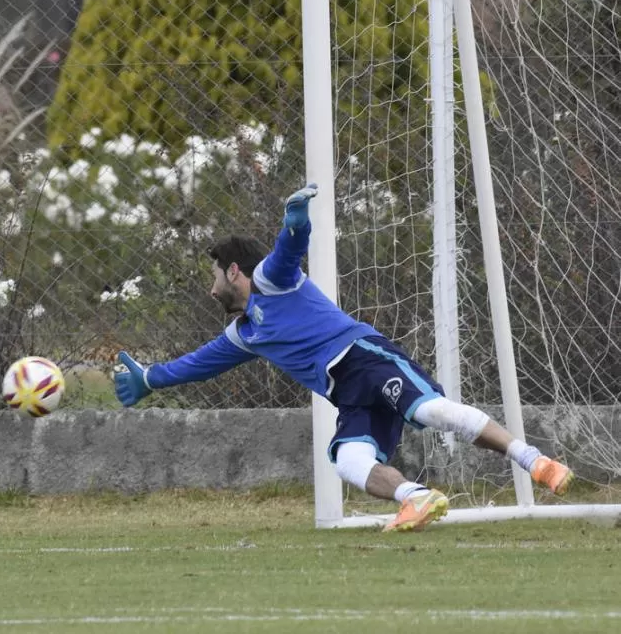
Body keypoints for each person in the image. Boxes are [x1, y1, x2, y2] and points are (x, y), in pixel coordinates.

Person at [113, 183, 574, 532]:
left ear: (234, 271)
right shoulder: (243, 333)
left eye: (214, 273)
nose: (210, 284)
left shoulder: (273, 282)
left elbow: (288, 251)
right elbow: (196, 364)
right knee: (348, 458)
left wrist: (296, 222)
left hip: (366, 359)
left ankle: (535, 461)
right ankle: (417, 497)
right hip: (347, 395)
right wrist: (149, 379)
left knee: (429, 410)